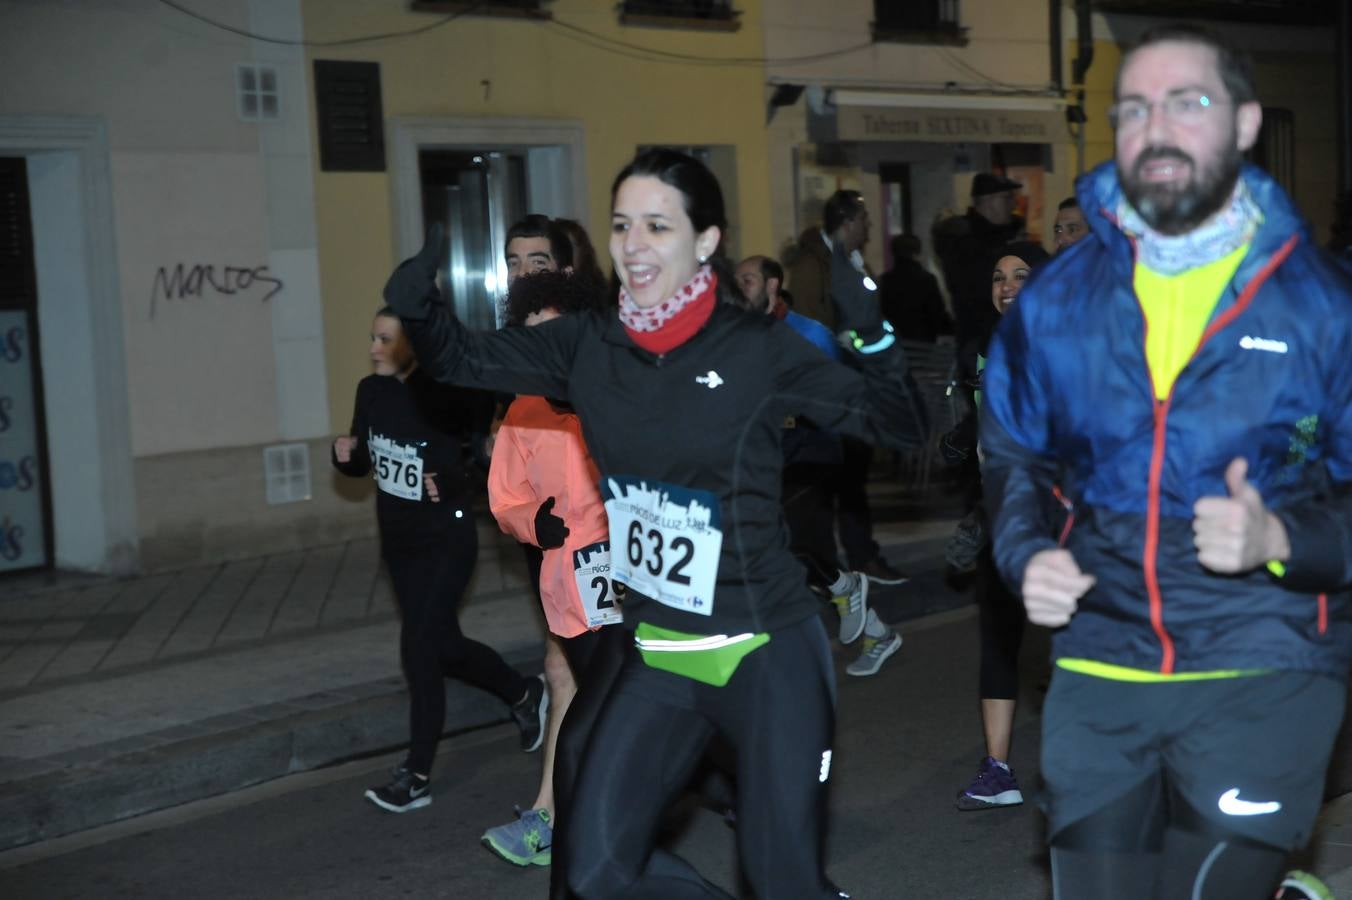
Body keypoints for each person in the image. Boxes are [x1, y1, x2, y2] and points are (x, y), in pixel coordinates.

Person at [383, 148, 928, 898]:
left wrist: (873, 337)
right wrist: (421, 307)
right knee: (597, 871)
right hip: (660, 651)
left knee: (780, 877)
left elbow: (901, 424)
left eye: (657, 225)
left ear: (705, 241)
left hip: (763, 649)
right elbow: (463, 357)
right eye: (621, 225)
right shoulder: (589, 344)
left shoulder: (754, 350)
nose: (634, 244)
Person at [981, 24, 1352, 899]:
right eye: (1136, 108)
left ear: (1246, 123)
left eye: (1189, 103)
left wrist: (1280, 534)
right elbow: (1012, 456)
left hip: (1264, 660)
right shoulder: (1057, 302)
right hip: (1100, 664)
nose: (1159, 127)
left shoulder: (1323, 307)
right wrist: (1025, 552)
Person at [331, 307, 548, 814]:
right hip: (399, 543)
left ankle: (417, 774)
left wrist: (453, 483)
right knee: (442, 642)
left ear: (412, 345)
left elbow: (484, 461)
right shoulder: (372, 391)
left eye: (384, 340)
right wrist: (346, 456)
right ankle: (522, 692)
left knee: (419, 648)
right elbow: (367, 459)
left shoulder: (451, 393)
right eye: (372, 337)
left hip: (447, 540)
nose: (373, 349)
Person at [738, 253, 903, 677]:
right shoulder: (738, 335)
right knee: (791, 554)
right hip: (768, 456)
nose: (740, 288)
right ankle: (873, 627)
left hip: (816, 450)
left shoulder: (809, 334)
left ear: (773, 285)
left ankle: (844, 595)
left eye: (749, 280)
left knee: (792, 537)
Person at [951, 241, 1049, 811]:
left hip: (1061, 520)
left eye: (1020, 274)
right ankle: (997, 768)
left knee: (1077, 641)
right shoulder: (983, 347)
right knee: (999, 637)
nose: (1006, 284)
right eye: (998, 275)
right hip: (1002, 515)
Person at [932, 172, 1025, 359]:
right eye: (1007, 198)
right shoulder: (964, 242)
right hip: (981, 344)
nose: (1013, 204)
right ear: (988, 201)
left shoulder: (1002, 237)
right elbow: (980, 290)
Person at [784, 189, 871, 331]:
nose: (868, 224)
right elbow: (809, 327)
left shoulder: (857, 262)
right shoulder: (810, 267)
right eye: (863, 218)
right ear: (847, 224)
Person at [880, 234, 952, 342]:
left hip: (893, 341)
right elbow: (936, 315)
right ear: (917, 253)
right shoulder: (927, 279)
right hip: (922, 342)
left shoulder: (885, 280)